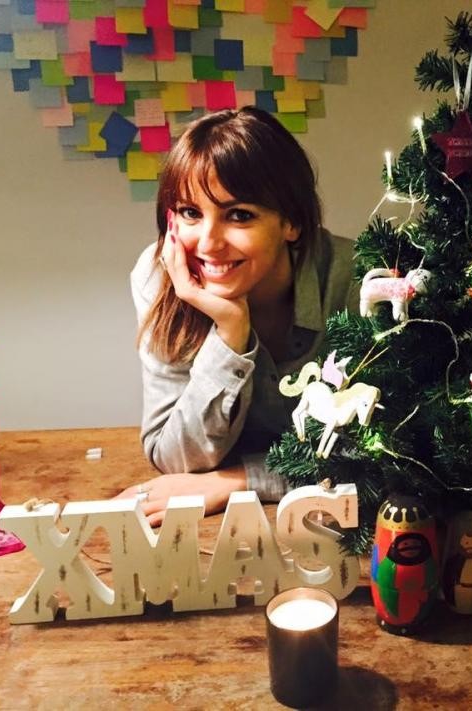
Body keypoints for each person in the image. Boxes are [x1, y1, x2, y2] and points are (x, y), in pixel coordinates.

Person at [115, 107, 355, 526]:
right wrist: (229, 335)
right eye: (190, 212)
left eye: (239, 215)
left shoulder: (356, 280)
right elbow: (171, 458)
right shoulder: (159, 278)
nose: (208, 243)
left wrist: (237, 481)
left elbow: (392, 453)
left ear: (292, 223)